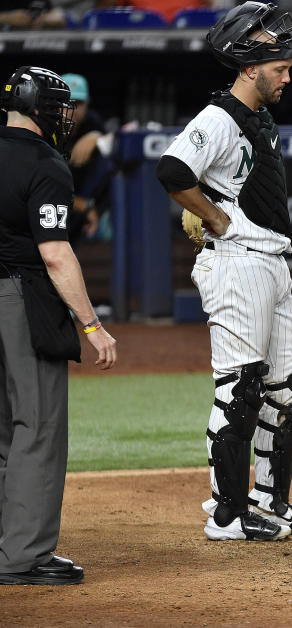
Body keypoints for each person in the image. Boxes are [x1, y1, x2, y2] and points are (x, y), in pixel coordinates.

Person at [155, 1, 292, 542]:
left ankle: (269, 501)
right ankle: (227, 514)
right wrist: (211, 215)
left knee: (291, 388)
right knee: (240, 389)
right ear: (250, 67)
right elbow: (172, 168)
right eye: (280, 67)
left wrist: (212, 208)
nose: (288, 74)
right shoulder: (220, 116)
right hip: (236, 264)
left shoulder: (256, 116)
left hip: (271, 263)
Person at [0, 66, 118, 586]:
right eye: (59, 106)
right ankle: (23, 556)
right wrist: (92, 325)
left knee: (4, 430)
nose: (64, 116)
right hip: (22, 300)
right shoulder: (46, 162)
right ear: (40, 108)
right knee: (38, 426)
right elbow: (55, 254)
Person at [61, 73, 110, 243]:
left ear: (87, 104)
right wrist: (84, 206)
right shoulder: (43, 128)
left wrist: (97, 137)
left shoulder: (92, 123)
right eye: (67, 103)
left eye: (78, 103)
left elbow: (116, 139)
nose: (73, 109)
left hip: (75, 204)